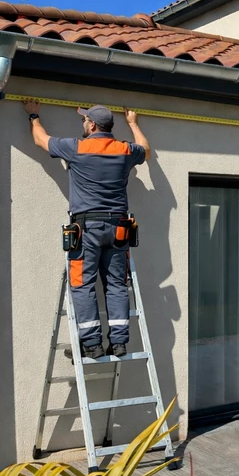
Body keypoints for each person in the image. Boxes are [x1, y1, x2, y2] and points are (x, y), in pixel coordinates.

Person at [22, 99, 151, 360]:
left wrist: (33, 115)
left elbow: (40, 139)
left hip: (87, 228)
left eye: (84, 120)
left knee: (83, 285)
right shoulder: (124, 150)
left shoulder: (77, 148)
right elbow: (146, 151)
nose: (82, 123)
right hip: (118, 228)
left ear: (92, 125)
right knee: (116, 285)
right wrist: (134, 124)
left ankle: (91, 345)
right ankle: (119, 344)